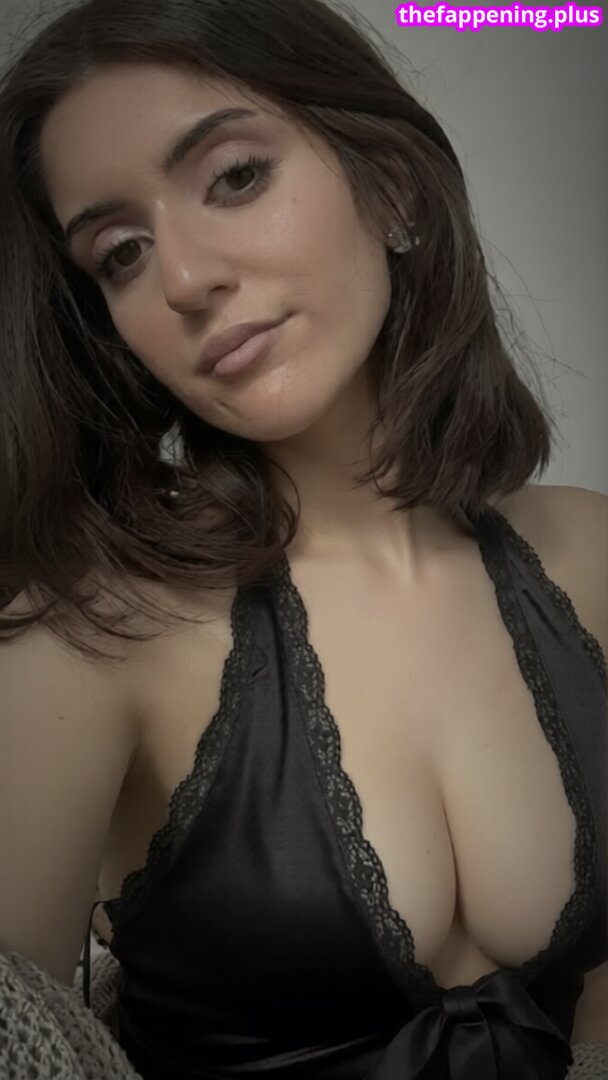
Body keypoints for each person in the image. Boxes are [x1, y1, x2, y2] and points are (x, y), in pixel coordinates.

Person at [0, 1, 606, 1078]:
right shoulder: (86, 635)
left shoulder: (589, 554)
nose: (185, 280)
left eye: (235, 178)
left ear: (391, 183)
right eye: (122, 253)